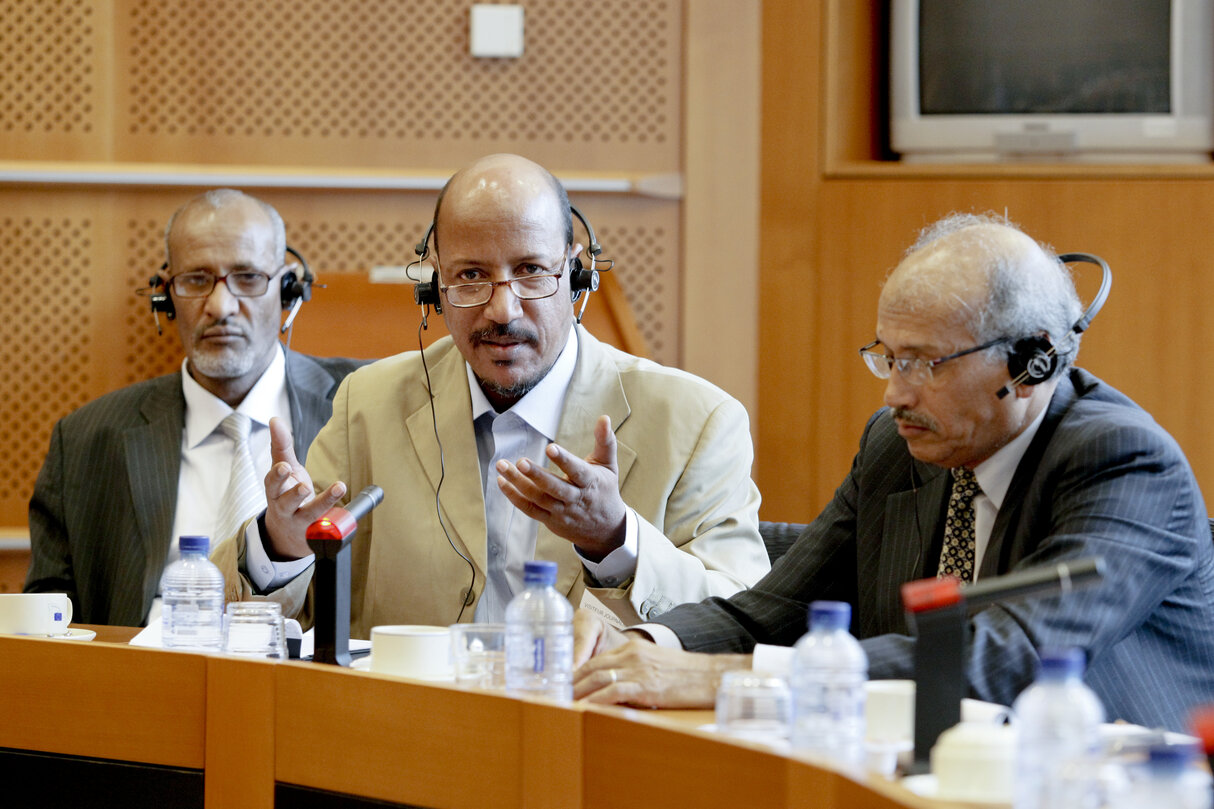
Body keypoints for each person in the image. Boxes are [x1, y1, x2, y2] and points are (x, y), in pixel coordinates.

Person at [573, 213, 1214, 733]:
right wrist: (644, 646)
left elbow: (999, 660)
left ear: (1032, 365)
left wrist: (728, 678)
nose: (894, 396)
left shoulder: (1124, 463)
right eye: (889, 359)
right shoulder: (899, 444)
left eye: (924, 364)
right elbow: (774, 611)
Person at [214, 153, 769, 634]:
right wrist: (281, 546)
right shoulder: (369, 404)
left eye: (530, 271)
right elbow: (288, 619)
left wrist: (616, 541)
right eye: (471, 277)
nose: (502, 311)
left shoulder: (697, 421)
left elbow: (742, 620)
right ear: (435, 287)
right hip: (409, 732)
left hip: (592, 741)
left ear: (577, 275)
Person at [25, 189, 363, 626]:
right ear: (165, 296)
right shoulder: (86, 439)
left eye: (247, 278)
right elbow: (44, 623)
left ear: (288, 289)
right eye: (197, 280)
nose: (220, 307)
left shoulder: (363, 405)